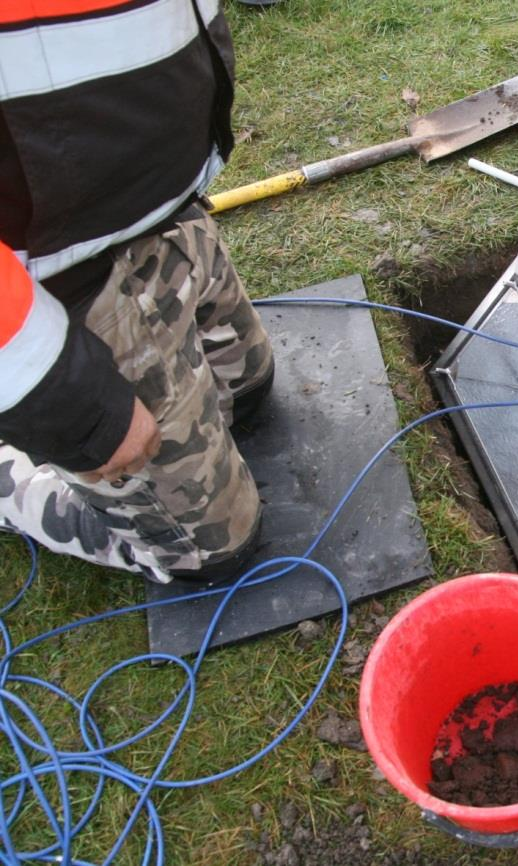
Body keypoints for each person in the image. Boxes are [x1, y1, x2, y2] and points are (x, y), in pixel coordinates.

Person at [0, 0, 274, 584]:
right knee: (214, 550)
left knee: (251, 390)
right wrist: (58, 396)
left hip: (161, 213)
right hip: (61, 294)